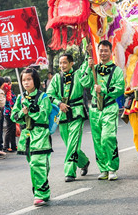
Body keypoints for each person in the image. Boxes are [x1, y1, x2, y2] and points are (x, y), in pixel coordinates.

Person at [47, 53, 93, 182]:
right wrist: (59, 103)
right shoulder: (56, 78)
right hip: (62, 115)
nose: (62, 65)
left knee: (73, 144)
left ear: (72, 63)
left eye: (65, 63)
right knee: (69, 145)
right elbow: (49, 94)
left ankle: (69, 172)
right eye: (60, 63)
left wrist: (88, 55)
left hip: (77, 113)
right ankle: (84, 162)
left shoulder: (78, 74)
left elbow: (86, 73)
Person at [11, 68, 52, 207]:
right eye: (23, 80)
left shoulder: (43, 97)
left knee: (37, 163)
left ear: (35, 80)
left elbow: (44, 115)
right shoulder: (20, 98)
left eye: (29, 79)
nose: (26, 82)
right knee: (33, 165)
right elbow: (14, 116)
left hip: (41, 134)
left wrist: (31, 109)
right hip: (27, 136)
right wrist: (22, 112)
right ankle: (40, 189)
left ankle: (41, 193)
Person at [87, 40, 125, 181]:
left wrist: (102, 89)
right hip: (95, 109)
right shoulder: (94, 69)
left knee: (107, 137)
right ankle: (103, 168)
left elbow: (120, 88)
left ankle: (112, 167)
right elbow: (84, 82)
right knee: (97, 140)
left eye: (105, 50)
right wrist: (87, 65)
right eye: (100, 50)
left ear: (110, 52)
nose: (103, 53)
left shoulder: (117, 71)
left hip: (109, 107)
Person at [3, 77, 17, 152]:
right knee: (9, 129)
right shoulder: (6, 92)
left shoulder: (8, 91)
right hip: (9, 112)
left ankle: (13, 145)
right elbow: (10, 102)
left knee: (13, 129)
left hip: (11, 112)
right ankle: (6, 146)